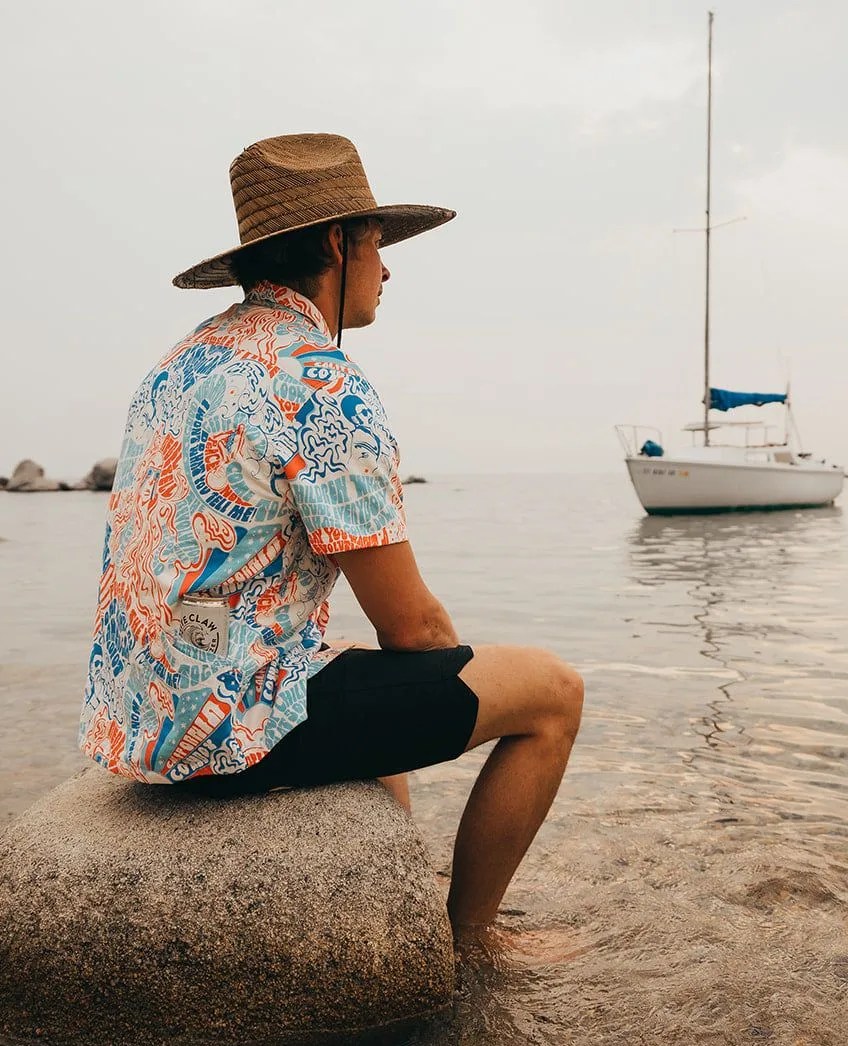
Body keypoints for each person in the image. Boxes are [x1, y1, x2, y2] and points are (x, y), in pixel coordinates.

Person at [79, 134, 583, 934]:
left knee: (362, 678)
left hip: (137, 718)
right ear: (339, 242)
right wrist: (459, 678)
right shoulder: (321, 383)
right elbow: (413, 627)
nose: (387, 268)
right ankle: (467, 943)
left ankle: (395, 906)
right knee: (552, 693)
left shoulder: (181, 362)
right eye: (379, 243)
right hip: (223, 735)